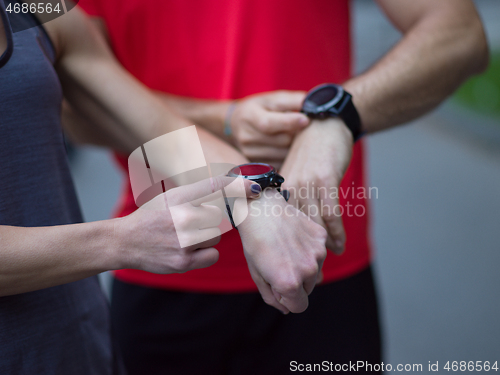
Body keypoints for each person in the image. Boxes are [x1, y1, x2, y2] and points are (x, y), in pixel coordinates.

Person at [77, 0, 489, 374]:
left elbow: (460, 33)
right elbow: (70, 100)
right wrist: (224, 118)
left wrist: (338, 117)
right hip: (166, 257)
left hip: (318, 260)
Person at [0, 2, 328, 373]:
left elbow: (154, 126)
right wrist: (120, 240)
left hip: (77, 344)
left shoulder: (37, 8)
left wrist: (259, 195)